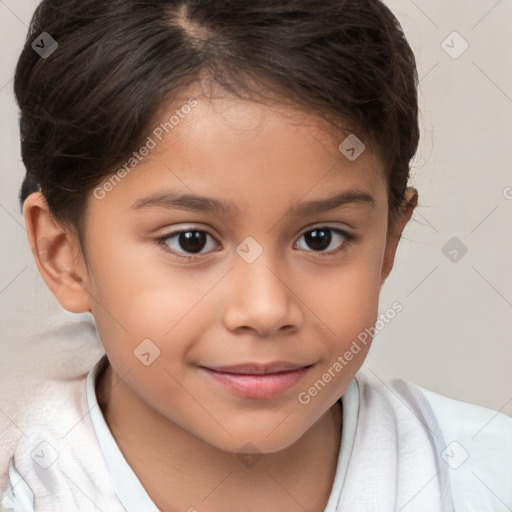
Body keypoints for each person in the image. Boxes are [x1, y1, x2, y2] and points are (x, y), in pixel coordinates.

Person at [1, 0, 511, 510]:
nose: (265, 310)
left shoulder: (486, 475)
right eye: (191, 240)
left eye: (321, 238)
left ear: (387, 244)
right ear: (63, 254)